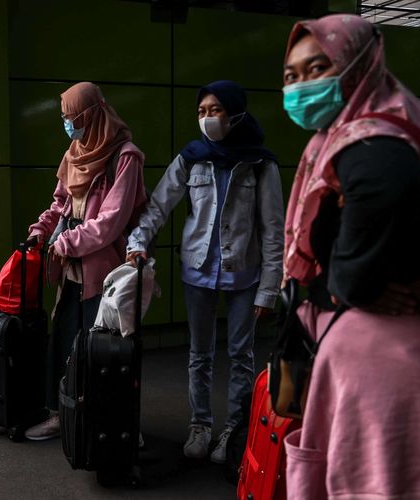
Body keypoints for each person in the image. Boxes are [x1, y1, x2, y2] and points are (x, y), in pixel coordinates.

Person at [279, 14, 420, 499]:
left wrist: (350, 284)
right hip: (367, 353)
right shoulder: (344, 135)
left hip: (385, 360)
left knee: (374, 481)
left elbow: (384, 191)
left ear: (358, 64)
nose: (301, 86)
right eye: (291, 76)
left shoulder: (374, 140)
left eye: (317, 68)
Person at [126, 80, 284, 463]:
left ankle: (234, 428)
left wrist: (268, 289)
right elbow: (159, 205)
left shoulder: (261, 164)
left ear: (235, 113)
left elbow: (274, 231)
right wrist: (137, 242)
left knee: (241, 353)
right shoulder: (192, 157)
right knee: (199, 353)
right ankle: (200, 425)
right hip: (197, 269)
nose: (207, 118)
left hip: (244, 272)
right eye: (201, 112)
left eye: (215, 111)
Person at [23, 82, 147, 440]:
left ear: (92, 114)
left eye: (72, 117)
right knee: (64, 342)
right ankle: (64, 417)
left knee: (99, 351)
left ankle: (104, 423)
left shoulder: (125, 156)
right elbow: (60, 204)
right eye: (63, 118)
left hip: (102, 269)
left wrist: (67, 242)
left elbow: (111, 221)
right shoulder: (75, 150)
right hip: (71, 268)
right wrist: (41, 230)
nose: (68, 125)